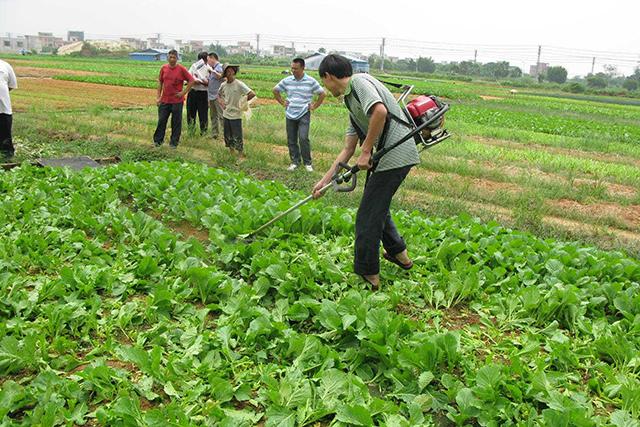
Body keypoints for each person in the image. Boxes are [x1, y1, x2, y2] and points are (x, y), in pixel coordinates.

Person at [312, 54, 419, 290]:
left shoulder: (359, 82)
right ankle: (400, 255)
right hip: (386, 157)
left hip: (395, 155)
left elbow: (379, 112)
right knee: (377, 208)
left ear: (328, 76)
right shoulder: (351, 102)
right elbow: (348, 149)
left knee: (367, 216)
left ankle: (369, 273)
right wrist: (323, 181)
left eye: (323, 81)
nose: (325, 87)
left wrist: (367, 151)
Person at [273, 57, 325, 172]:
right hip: (290, 113)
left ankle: (307, 163)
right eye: (292, 68)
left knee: (303, 137)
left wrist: (314, 106)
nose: (293, 71)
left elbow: (322, 93)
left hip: (304, 113)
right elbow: (275, 90)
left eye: (296, 69)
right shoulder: (287, 80)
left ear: (302, 68)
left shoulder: (310, 81)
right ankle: (295, 162)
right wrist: (282, 102)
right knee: (291, 139)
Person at [153, 49, 195, 148]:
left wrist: (183, 92)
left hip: (177, 101)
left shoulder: (181, 69)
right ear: (168, 57)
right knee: (161, 121)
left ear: (177, 58)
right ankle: (158, 141)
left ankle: (173, 143)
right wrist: (158, 97)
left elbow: (191, 80)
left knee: (176, 123)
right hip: (164, 100)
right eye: (170, 57)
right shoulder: (164, 68)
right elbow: (160, 82)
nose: (172, 59)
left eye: (174, 57)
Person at [218, 65, 255, 157]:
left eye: (231, 71)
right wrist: (222, 103)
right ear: (225, 74)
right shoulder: (223, 85)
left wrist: (243, 102)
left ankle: (240, 154)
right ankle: (231, 152)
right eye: (227, 71)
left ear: (234, 72)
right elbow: (218, 95)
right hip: (226, 113)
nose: (230, 73)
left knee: (237, 135)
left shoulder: (239, 84)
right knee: (228, 134)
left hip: (236, 114)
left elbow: (252, 94)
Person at [187, 51, 211, 135]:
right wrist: (194, 80)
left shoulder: (209, 68)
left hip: (203, 93)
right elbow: (188, 77)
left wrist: (201, 82)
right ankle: (191, 131)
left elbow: (210, 82)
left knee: (203, 114)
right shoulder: (194, 66)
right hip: (193, 92)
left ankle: (203, 132)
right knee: (191, 113)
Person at [0, 59, 17, 160]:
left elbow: (11, 85)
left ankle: (6, 159)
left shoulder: (5, 66)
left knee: (5, 137)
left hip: (3, 109)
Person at [207, 52, 224, 139]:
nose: (208, 62)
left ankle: (225, 135)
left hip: (218, 96)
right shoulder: (212, 69)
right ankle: (214, 134)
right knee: (213, 116)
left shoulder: (219, 67)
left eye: (208, 59)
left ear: (213, 58)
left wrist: (212, 71)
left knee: (221, 115)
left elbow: (221, 77)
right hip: (211, 96)